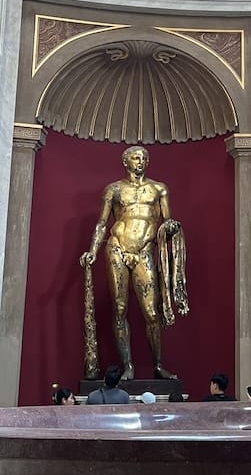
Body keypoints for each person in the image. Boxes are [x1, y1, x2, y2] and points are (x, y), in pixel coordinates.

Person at [80, 145, 188, 381]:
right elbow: (101, 223)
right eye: (136, 158)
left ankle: (158, 366)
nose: (141, 162)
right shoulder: (114, 190)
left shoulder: (158, 189)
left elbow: (166, 220)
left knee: (151, 312)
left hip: (144, 250)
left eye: (144, 158)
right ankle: (127, 365)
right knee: (120, 309)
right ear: (125, 162)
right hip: (117, 248)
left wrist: (171, 227)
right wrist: (92, 251)